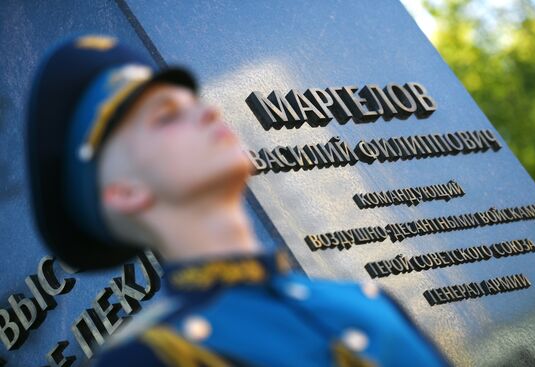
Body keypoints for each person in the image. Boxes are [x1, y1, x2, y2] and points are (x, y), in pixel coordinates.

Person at [26, 34, 449, 367]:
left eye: (194, 101)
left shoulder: (367, 301)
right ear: (126, 192)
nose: (207, 112)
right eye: (167, 115)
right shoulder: (151, 358)